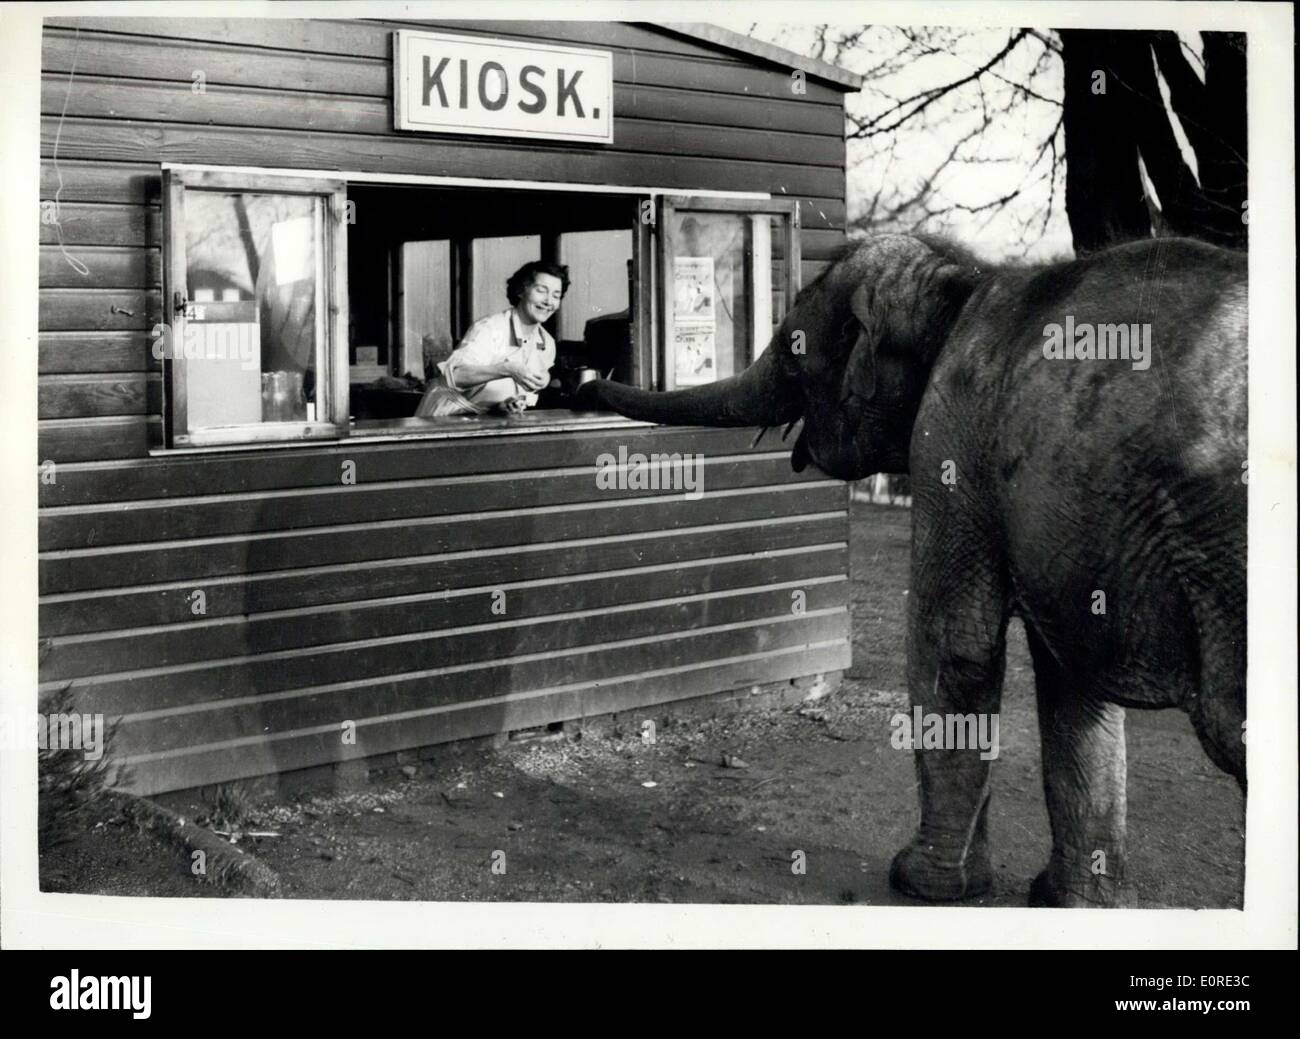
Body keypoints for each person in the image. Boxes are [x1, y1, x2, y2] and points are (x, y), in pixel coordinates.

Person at [415, 260, 568, 418]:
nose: (549, 301)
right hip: (440, 420)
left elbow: (502, 394)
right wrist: (507, 369)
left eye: (556, 295)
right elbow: (456, 376)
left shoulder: (546, 343)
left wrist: (506, 405)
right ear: (521, 291)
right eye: (541, 291)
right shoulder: (490, 328)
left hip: (483, 422)